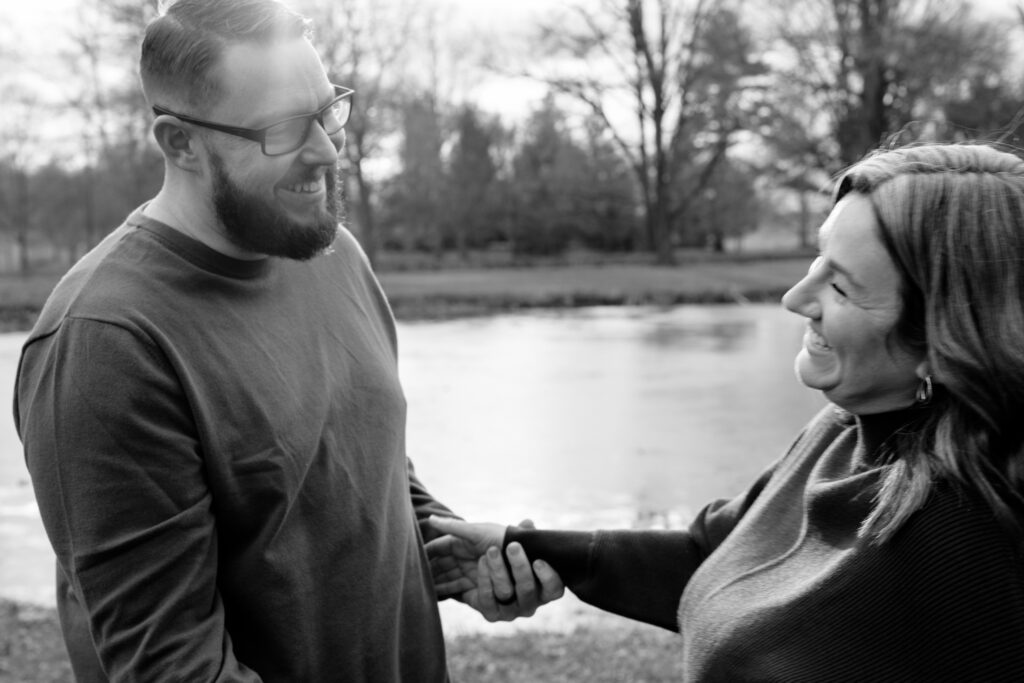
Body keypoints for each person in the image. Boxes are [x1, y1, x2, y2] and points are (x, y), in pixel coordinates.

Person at [13, 0, 560, 680]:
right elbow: (173, 667)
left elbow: (360, 457)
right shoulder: (106, 342)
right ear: (179, 142)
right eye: (282, 128)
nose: (329, 149)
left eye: (329, 110)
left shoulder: (331, 252)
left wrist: (448, 546)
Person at [429, 142, 1024, 679]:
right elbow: (712, 555)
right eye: (818, 260)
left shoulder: (967, 530)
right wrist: (526, 546)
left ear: (944, 335)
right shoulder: (840, 434)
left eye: (840, 287)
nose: (796, 298)